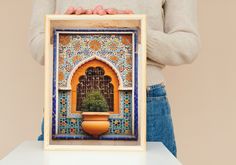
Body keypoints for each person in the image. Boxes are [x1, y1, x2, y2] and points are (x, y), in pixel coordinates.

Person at [29, 0, 200, 157]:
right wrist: (67, 32)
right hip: (67, 107)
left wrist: (134, 33)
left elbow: (187, 44)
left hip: (146, 104)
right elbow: (38, 46)